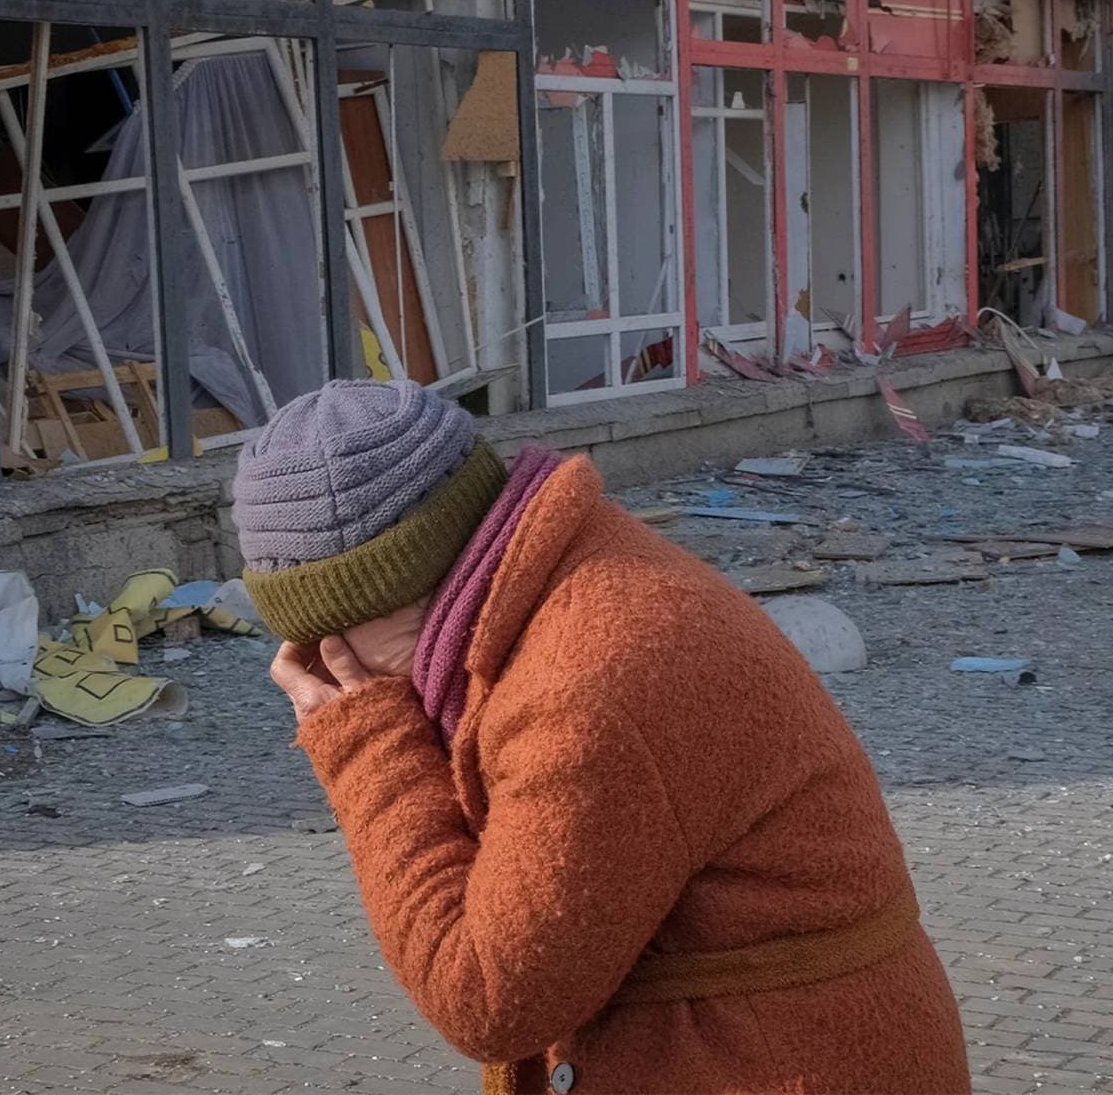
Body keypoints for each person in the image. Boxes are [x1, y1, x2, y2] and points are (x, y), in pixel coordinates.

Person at [234, 379, 968, 1094]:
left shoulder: (578, 687)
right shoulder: (569, 575)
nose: (331, 666)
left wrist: (369, 748)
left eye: (331, 638)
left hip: (776, 1061)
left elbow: (489, 1000)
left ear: (402, 584)